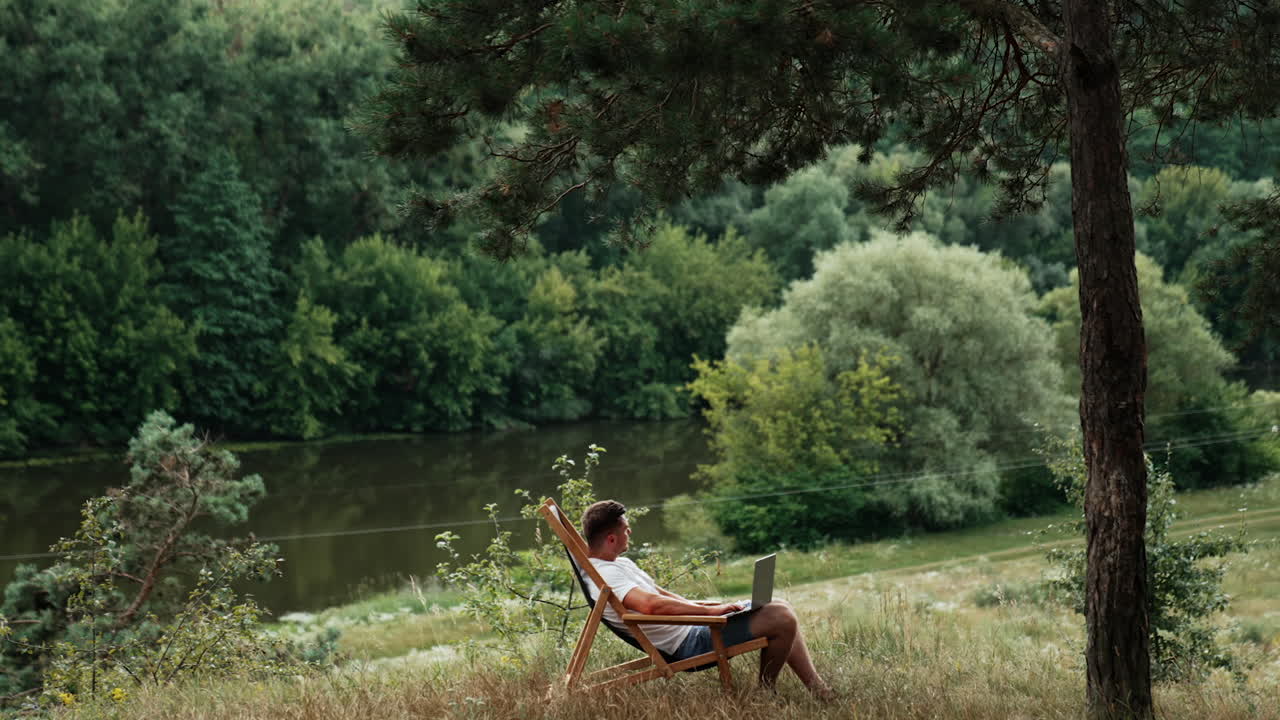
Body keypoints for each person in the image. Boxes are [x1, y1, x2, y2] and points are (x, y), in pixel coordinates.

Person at [580, 499, 833, 698]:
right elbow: (649, 605)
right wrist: (711, 614)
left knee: (779, 604)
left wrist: (709, 606)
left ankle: (819, 689)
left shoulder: (619, 563)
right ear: (611, 538)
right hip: (688, 644)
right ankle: (766, 691)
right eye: (626, 529)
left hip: (695, 625)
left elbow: (661, 594)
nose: (630, 531)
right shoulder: (607, 574)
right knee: (781, 617)